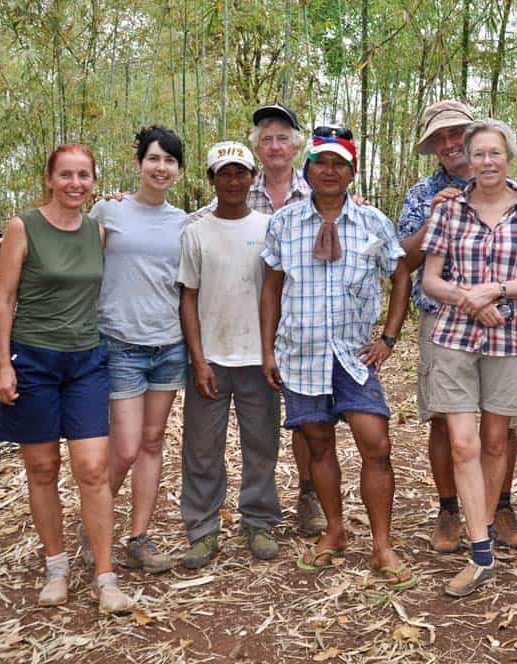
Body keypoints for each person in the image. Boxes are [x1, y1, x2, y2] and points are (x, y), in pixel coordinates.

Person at [260, 126, 416, 590]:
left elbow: (401, 275)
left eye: (339, 164)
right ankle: (335, 529)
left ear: (352, 172)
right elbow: (271, 288)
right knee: (318, 444)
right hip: (301, 353)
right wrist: (268, 350)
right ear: (307, 169)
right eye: (321, 162)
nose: (329, 171)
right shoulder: (284, 223)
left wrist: (388, 338)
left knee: (376, 444)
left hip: (353, 356)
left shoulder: (373, 222)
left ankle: (382, 545)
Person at [0, 144, 132, 613]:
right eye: (66, 175)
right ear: (49, 178)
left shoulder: (98, 230)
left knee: (92, 469)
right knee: (43, 468)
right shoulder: (23, 227)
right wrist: (2, 364)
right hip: (33, 360)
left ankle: (105, 577)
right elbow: (5, 299)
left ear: (94, 180)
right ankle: (56, 567)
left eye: (84, 175)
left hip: (86, 361)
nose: (75, 183)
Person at [398, 101, 517, 553]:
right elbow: (406, 260)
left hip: (506, 321)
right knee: (445, 423)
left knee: (502, 427)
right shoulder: (428, 197)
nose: (450, 144)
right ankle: (449, 510)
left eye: (455, 135)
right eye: (439, 138)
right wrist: (469, 298)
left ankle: (499, 506)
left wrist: (491, 294)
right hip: (444, 322)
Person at [421, 119, 517, 597]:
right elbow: (430, 280)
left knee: (496, 441)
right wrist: (469, 299)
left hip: (510, 336)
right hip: (454, 336)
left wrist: (494, 291)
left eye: (495, 153)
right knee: (463, 443)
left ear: (509, 157)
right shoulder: (449, 209)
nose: (487, 161)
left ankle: (487, 527)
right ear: (468, 160)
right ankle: (480, 552)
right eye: (479, 154)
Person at [191, 103, 325, 536]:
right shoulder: (226, 204)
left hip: (297, 332)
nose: (275, 146)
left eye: (283, 138)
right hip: (231, 340)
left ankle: (302, 498)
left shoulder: (319, 193)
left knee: (300, 425)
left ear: (296, 146)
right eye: (266, 139)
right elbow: (203, 228)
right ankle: (208, 523)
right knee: (215, 441)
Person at [83, 126, 188, 574]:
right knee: (125, 447)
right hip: (120, 342)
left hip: (168, 345)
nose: (161, 168)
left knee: (151, 441)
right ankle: (94, 525)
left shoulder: (185, 222)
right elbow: (75, 257)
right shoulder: (109, 210)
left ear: (179, 170)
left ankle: (139, 537)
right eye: (154, 159)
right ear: (139, 163)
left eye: (170, 161)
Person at [176, 141, 282, 566]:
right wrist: (198, 359)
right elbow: (188, 298)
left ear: (253, 178)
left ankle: (259, 520)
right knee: (202, 448)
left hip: (258, 358)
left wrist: (270, 351)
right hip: (212, 360)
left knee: (262, 445)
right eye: (224, 173)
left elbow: (277, 290)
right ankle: (202, 529)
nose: (234, 181)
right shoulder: (196, 231)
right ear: (211, 179)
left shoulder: (270, 227)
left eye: (241, 173)